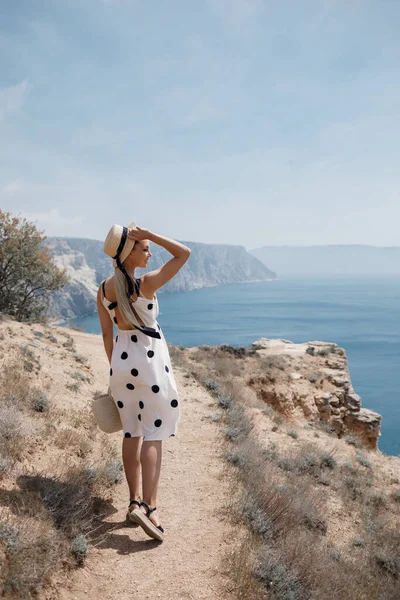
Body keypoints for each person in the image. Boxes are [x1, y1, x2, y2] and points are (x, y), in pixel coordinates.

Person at [98, 222, 191, 542]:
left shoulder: (104, 289)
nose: (149, 252)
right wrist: (152, 233)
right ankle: (150, 509)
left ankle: (133, 501)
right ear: (129, 253)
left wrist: (115, 371)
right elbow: (184, 253)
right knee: (154, 434)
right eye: (144, 248)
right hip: (150, 366)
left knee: (131, 431)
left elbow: (107, 334)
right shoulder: (146, 284)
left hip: (121, 366)